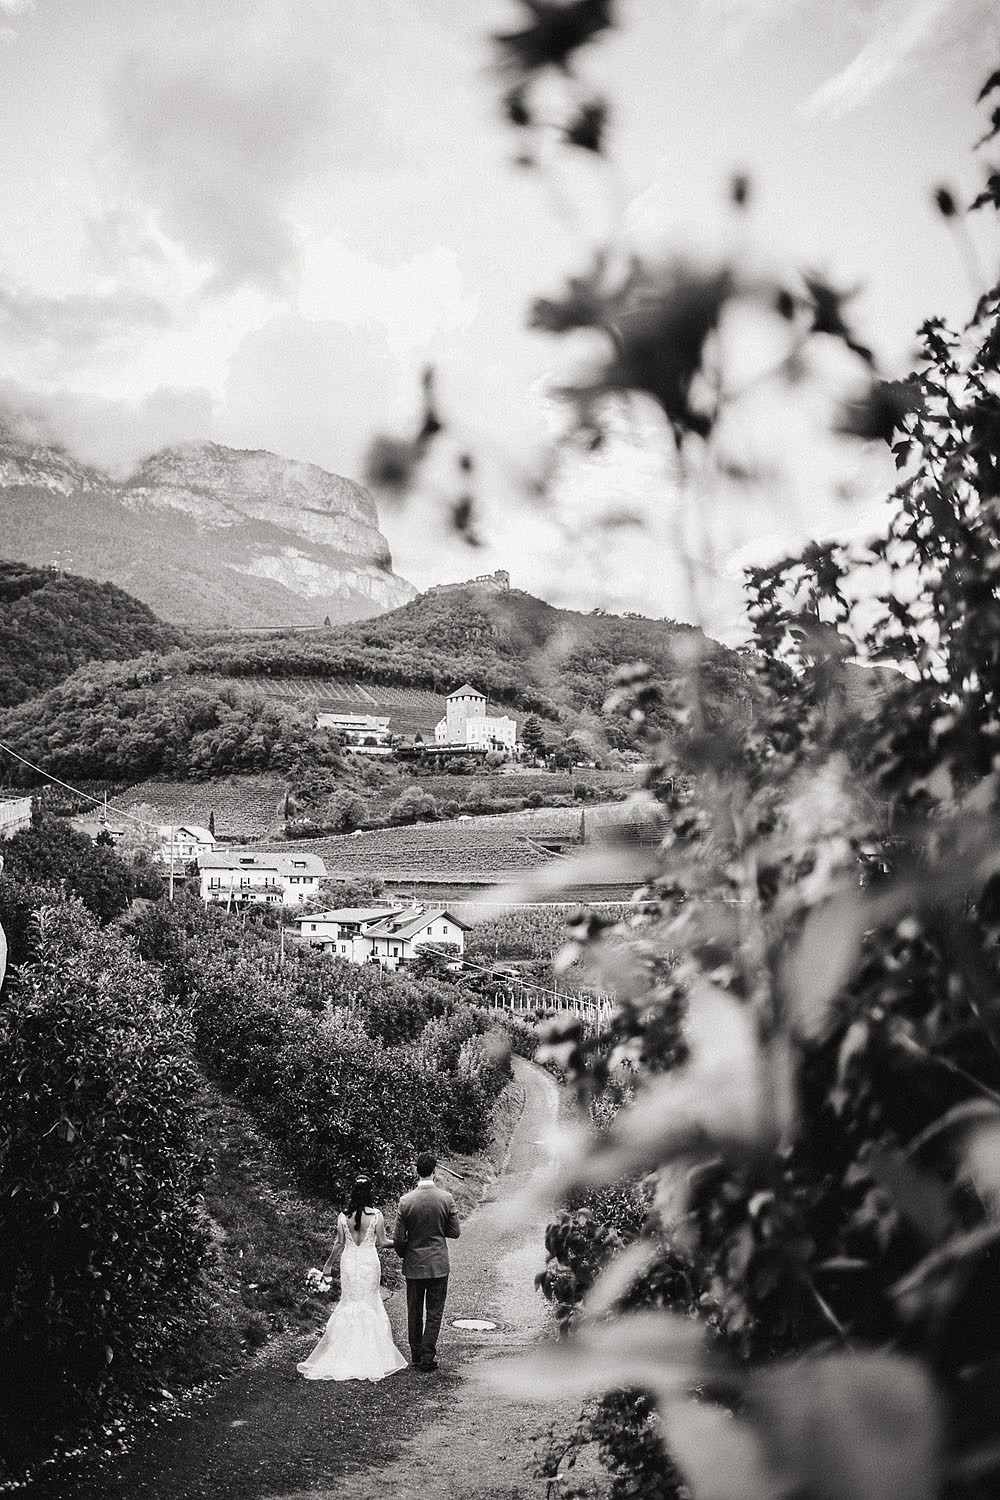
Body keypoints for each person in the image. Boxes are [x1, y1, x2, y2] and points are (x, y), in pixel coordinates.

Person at [297, 1176, 407, 1383]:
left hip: (349, 1262)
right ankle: (371, 1352)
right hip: (368, 1262)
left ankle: (344, 1350)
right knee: (369, 1302)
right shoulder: (376, 1215)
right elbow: (383, 1243)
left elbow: (339, 1244)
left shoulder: (342, 1216)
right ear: (370, 1194)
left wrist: (328, 1265)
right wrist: (403, 1244)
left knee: (349, 1302)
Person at [392, 1151, 461, 1373]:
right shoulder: (446, 1199)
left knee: (414, 1311)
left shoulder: (405, 1201)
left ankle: (415, 1354)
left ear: (416, 1171)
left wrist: (405, 1254)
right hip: (438, 1264)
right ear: (434, 1171)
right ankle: (428, 1356)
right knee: (434, 1311)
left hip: (414, 1263)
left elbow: (398, 1238)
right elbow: (455, 1232)